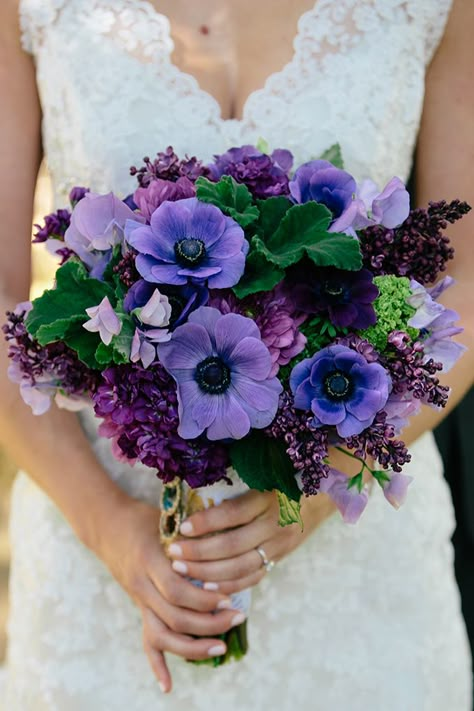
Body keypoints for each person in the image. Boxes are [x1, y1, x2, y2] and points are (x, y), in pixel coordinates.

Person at [0, 0, 473, 708]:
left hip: (356, 564)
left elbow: (464, 280)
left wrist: (320, 488)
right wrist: (110, 527)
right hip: (104, 554)